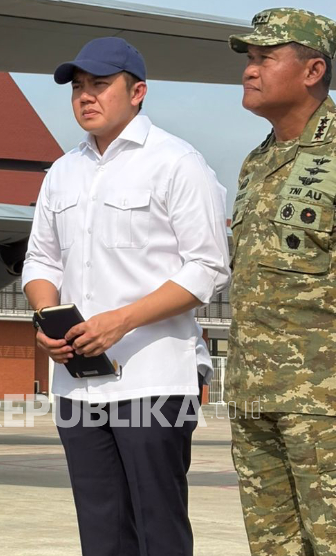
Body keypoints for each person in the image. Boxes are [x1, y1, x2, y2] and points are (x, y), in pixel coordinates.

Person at [22, 37, 229, 556]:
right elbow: (41, 261)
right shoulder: (62, 172)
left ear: (137, 91)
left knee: (158, 527)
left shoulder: (178, 163)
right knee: (102, 531)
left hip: (153, 379)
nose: (85, 97)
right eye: (78, 87)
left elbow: (207, 267)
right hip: (76, 384)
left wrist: (122, 321)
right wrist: (46, 318)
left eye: (99, 84)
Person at [226, 9, 336, 555]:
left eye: (265, 57)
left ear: (312, 70)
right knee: (273, 548)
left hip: (323, 404)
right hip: (253, 396)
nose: (250, 70)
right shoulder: (256, 163)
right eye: (249, 58)